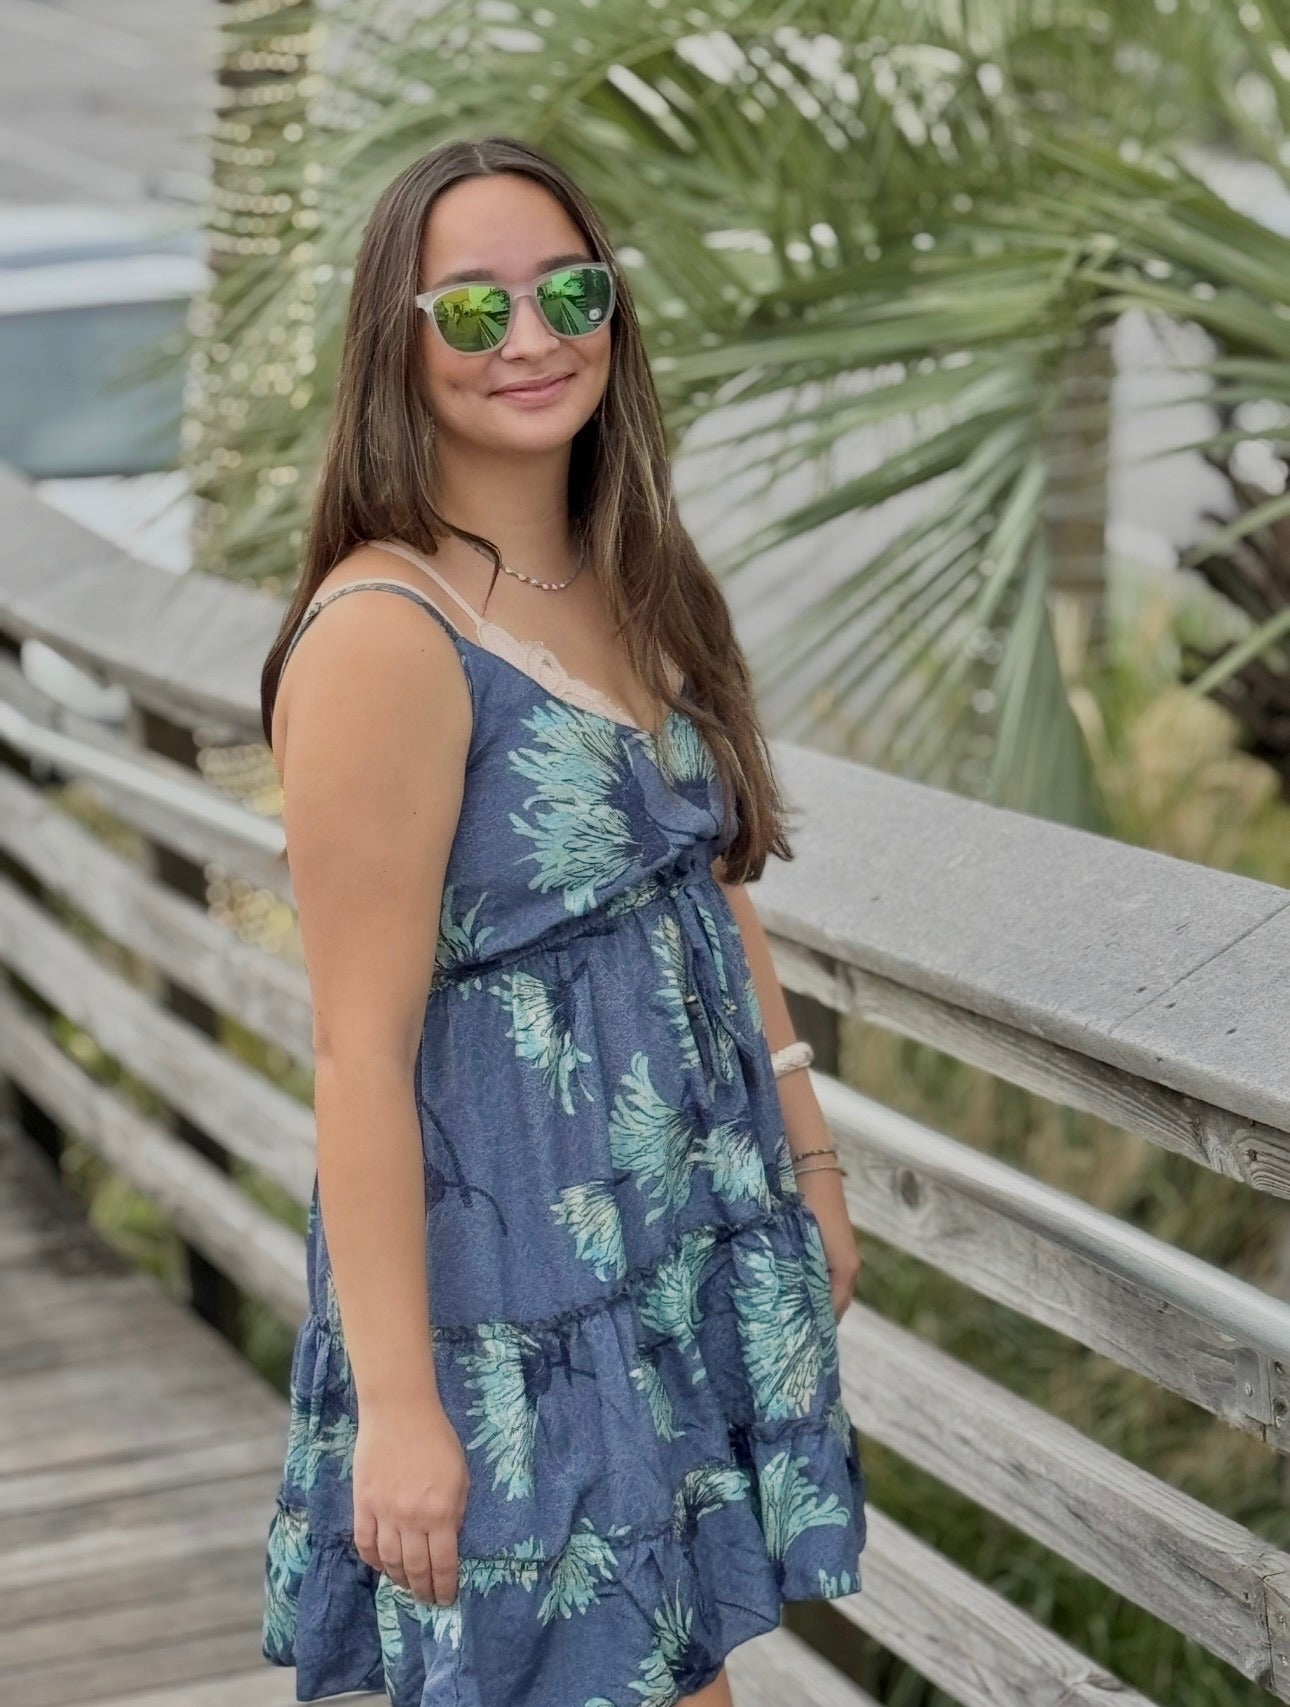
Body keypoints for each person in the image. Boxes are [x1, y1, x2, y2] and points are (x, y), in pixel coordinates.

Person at [258, 133, 866, 1707]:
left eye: (568, 291)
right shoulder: (385, 636)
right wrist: (400, 1407)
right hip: (513, 1304)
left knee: (678, 1672)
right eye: (472, 310)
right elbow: (356, 1050)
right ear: (397, 340)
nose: (531, 340)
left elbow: (707, 879)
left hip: (669, 1247)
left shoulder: (630, 566)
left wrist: (805, 1155)